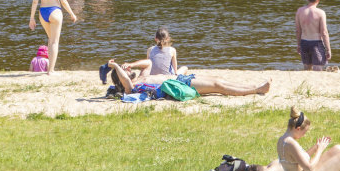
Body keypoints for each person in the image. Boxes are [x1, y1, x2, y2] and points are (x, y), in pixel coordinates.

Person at [107, 59, 270, 97]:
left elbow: (148, 62)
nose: (126, 70)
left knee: (218, 80)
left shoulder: (142, 77)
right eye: (123, 70)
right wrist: (115, 66)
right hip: (179, 85)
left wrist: (131, 64)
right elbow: (125, 81)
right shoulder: (131, 88)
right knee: (218, 86)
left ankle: (254, 86)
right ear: (120, 77)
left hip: (181, 79)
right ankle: (256, 89)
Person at [29, 0, 78, 74]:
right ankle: (51, 70)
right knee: (55, 42)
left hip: (42, 12)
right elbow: (63, 1)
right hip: (55, 11)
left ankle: (50, 68)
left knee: (50, 39)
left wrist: (31, 18)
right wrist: (72, 13)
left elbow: (35, 0)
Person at [295, 0, 330, 71]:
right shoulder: (320, 13)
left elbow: (298, 30)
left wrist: (298, 45)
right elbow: (324, 32)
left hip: (304, 42)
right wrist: (328, 49)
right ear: (318, 0)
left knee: (307, 69)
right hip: (316, 43)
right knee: (318, 69)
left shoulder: (299, 11)